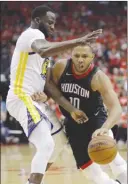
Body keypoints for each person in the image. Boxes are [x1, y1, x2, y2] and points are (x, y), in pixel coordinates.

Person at [6, 5, 102, 184]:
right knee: (46, 144)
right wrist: (77, 41)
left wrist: (70, 109)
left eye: (54, 23)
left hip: (35, 101)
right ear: (36, 20)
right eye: (50, 22)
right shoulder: (31, 35)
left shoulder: (44, 52)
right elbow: (43, 49)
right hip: (21, 96)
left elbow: (49, 86)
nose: (53, 26)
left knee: (58, 142)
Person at [32, 45, 127, 184]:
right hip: (73, 125)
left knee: (110, 154)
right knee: (90, 173)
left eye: (84, 56)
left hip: (96, 120)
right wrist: (44, 97)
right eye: (76, 56)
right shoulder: (61, 67)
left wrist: (105, 127)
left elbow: (116, 108)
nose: (80, 60)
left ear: (92, 58)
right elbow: (50, 87)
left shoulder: (98, 77)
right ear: (71, 56)